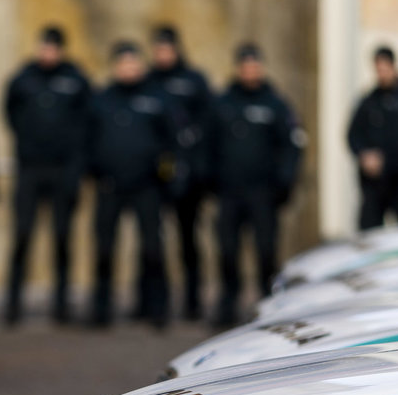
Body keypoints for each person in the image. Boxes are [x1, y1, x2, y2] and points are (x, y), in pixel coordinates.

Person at [87, 41, 181, 329]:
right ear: (115, 67)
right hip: (109, 187)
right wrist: (94, 173)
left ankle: (157, 311)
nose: (129, 69)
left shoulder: (157, 99)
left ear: (140, 66)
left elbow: (172, 142)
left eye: (133, 63)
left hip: (147, 187)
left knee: (152, 250)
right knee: (104, 250)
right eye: (123, 63)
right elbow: (85, 142)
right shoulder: (101, 100)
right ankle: (100, 312)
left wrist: (166, 177)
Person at [3, 26, 91, 325]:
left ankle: (62, 305)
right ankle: (13, 304)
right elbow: (10, 111)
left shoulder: (76, 79)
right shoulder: (23, 78)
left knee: (62, 237)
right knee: (23, 235)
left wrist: (75, 167)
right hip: (30, 169)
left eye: (53, 48)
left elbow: (86, 121)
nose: (48, 53)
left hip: (63, 169)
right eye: (44, 47)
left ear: (61, 50)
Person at [212, 43, 304, 327]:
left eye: (255, 65)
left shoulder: (275, 104)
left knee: (266, 250)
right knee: (227, 250)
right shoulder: (223, 103)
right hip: (230, 192)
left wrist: (284, 181)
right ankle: (228, 303)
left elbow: (292, 145)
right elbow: (207, 144)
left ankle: (269, 304)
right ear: (238, 68)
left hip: (262, 192)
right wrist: (208, 179)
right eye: (245, 65)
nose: (250, 71)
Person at [144, 25, 214, 321]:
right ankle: (152, 304)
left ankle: (192, 301)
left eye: (167, 49)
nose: (162, 54)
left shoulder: (194, 80)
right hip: (155, 175)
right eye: (158, 49)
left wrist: (199, 167)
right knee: (151, 242)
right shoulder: (148, 82)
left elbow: (209, 123)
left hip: (189, 175)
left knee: (188, 240)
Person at [347, 46, 398, 230]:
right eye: (378, 70)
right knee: (369, 230)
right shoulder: (369, 102)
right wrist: (364, 155)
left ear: (394, 67)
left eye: (385, 69)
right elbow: (353, 135)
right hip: (375, 182)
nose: (382, 74)